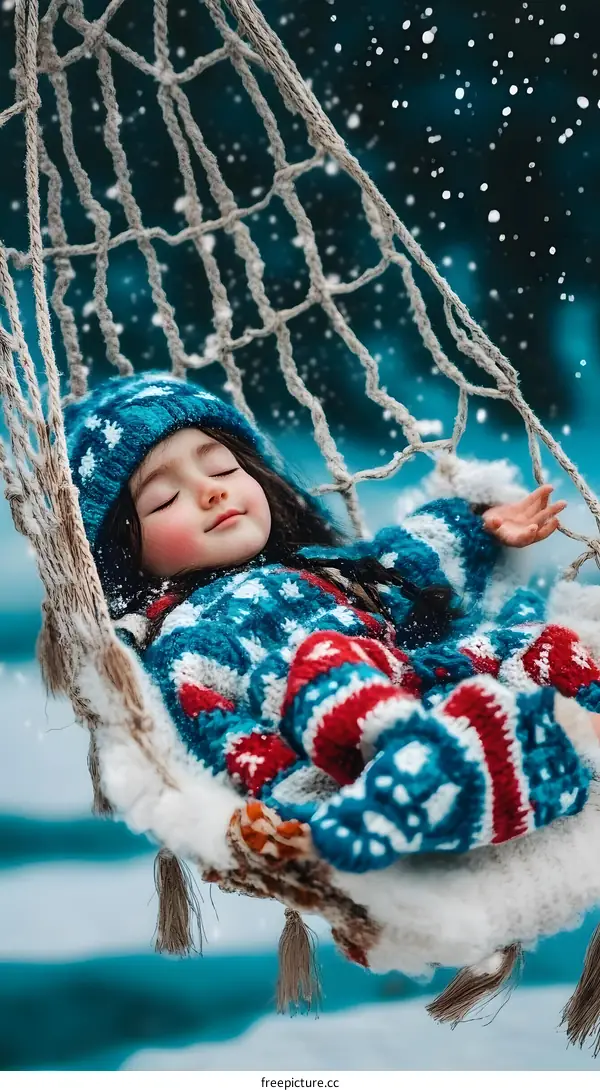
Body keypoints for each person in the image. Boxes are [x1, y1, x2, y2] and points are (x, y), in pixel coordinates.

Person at [64, 371, 600, 874]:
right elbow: (222, 735)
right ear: (124, 554)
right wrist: (286, 807)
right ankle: (418, 781)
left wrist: (476, 523)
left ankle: (508, 759)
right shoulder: (186, 641)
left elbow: (401, 562)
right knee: (327, 659)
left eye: (224, 468)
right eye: (166, 499)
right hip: (335, 744)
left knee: (533, 641)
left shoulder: (327, 568)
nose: (212, 490)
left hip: (419, 690)